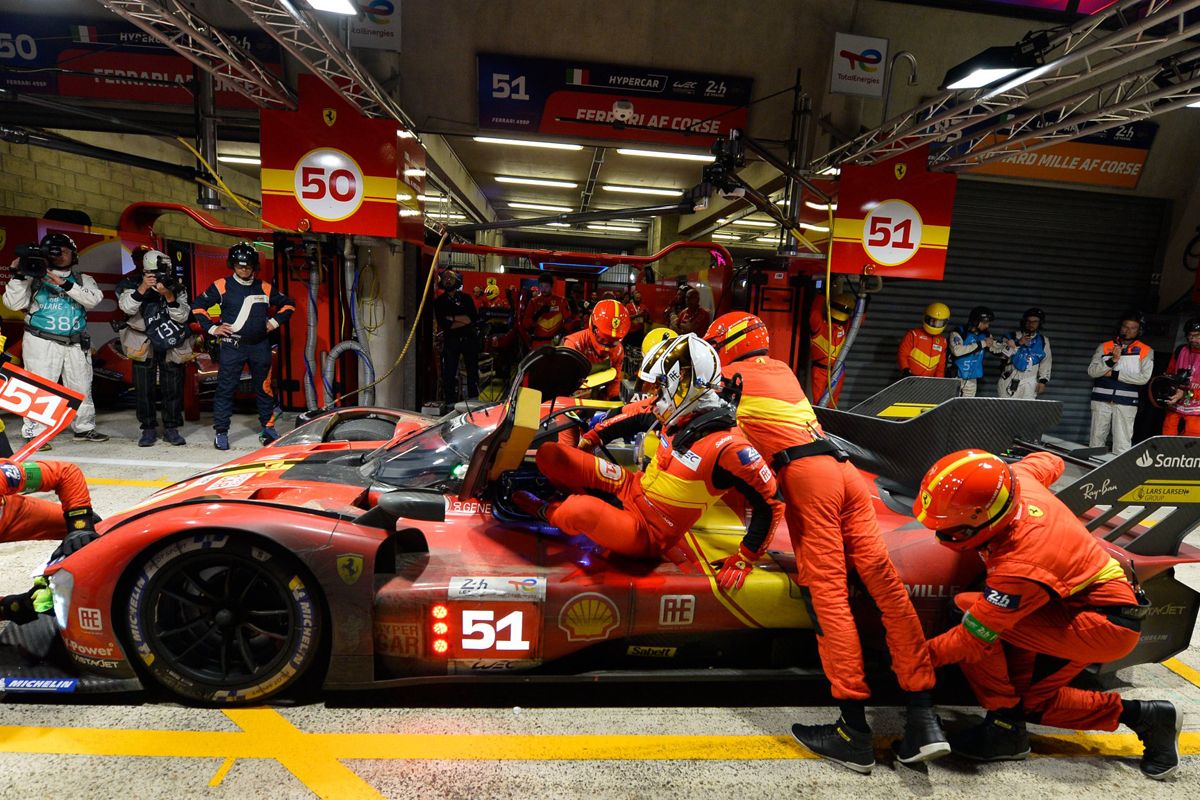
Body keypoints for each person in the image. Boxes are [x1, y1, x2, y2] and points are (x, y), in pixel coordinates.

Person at [705, 312, 946, 773]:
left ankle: (852, 731)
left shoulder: (730, 380)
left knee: (828, 596)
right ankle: (923, 717)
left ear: (728, 345)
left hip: (808, 479)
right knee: (887, 588)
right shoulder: (782, 371)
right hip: (845, 472)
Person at [914, 449, 1182, 780]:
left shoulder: (1020, 562)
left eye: (952, 530)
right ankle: (1150, 717)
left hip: (1099, 624)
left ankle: (1003, 723)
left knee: (968, 611)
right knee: (1035, 704)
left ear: (987, 517)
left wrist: (914, 660)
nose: (942, 537)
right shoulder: (1018, 478)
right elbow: (1049, 460)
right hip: (1066, 605)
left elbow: (971, 640)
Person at [513, 334, 784, 570]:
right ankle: (580, 503)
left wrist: (745, 557)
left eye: (659, 387)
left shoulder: (729, 446)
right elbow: (633, 416)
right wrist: (592, 438)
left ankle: (547, 512)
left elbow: (772, 501)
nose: (655, 395)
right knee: (550, 454)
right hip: (632, 486)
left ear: (683, 386)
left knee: (578, 510)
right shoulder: (682, 412)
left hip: (649, 532)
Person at [3, 232, 108, 443]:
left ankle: (83, 428)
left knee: (81, 386)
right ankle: (36, 433)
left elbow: (92, 299)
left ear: (74, 255)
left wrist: (63, 283)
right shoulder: (32, 276)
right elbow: (12, 304)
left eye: (64, 251)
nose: (59, 255)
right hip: (41, 340)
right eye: (53, 250)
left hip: (75, 342)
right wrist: (20, 275)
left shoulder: (82, 279)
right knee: (39, 387)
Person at [191, 242, 294, 451]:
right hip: (232, 346)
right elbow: (197, 307)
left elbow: (288, 304)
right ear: (233, 265)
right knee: (225, 389)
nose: (244, 270)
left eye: (247, 266)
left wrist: (273, 323)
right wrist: (212, 329)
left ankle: (268, 428)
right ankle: (221, 432)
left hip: (259, 346)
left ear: (254, 266)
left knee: (264, 388)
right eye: (239, 266)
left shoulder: (264, 287)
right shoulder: (222, 285)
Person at [116, 248, 193, 447]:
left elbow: (183, 316)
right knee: (143, 387)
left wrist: (168, 295)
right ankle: (148, 428)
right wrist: (143, 287)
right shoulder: (130, 283)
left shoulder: (176, 286)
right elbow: (126, 308)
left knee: (173, 385)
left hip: (171, 340)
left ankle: (171, 428)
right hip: (142, 340)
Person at [1088, 309, 1153, 455]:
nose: (1128, 331)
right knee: (1095, 442)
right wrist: (1112, 360)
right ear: (1120, 327)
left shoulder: (1146, 350)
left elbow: (1143, 378)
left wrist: (1115, 374)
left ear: (1139, 330)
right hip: (1101, 399)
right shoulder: (1104, 346)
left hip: (1126, 402)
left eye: (1133, 328)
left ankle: (1119, 475)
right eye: (1125, 327)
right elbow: (1092, 372)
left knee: (1122, 444)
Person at [562, 299, 631, 400]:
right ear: (593, 327)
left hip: (599, 401)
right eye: (603, 339)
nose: (606, 347)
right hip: (572, 399)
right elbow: (563, 380)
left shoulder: (618, 350)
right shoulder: (574, 344)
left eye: (613, 342)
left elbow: (615, 381)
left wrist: (614, 400)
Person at [432, 269, 479, 413]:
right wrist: (462, 319)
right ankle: (450, 402)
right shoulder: (439, 302)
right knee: (449, 372)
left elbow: (471, 319)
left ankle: (473, 400)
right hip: (451, 341)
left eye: (450, 278)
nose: (447, 280)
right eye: (445, 278)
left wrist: (452, 318)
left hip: (468, 340)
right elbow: (445, 325)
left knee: (472, 370)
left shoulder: (466, 298)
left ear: (456, 281)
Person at [808, 291, 856, 406]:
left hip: (837, 370)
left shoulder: (846, 326)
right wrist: (821, 294)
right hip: (820, 370)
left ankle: (829, 423)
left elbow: (858, 321)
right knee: (820, 403)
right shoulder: (820, 325)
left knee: (833, 403)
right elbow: (814, 314)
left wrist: (864, 307)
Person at [997, 307, 1052, 399]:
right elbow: (1002, 356)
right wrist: (1018, 343)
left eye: (1035, 321)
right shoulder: (1011, 337)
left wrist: (1043, 381)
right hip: (1009, 378)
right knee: (1004, 410)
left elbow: (1046, 361)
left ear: (1040, 323)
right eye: (1028, 321)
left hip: (1030, 381)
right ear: (1024, 322)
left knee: (1026, 411)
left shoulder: (1043, 340)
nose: (1031, 324)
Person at [948, 305, 1001, 398]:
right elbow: (957, 351)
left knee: (966, 408)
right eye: (985, 322)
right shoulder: (958, 332)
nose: (987, 325)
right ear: (976, 321)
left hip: (972, 379)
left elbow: (996, 349)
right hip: (955, 376)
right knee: (948, 406)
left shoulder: (986, 334)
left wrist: (1011, 346)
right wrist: (982, 343)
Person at [1160, 317, 1200, 437]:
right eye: (1190, 336)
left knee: (1191, 441)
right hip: (1176, 403)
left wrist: (1187, 393)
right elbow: (1170, 373)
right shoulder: (1180, 350)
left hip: (1197, 408)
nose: (1193, 339)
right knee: (1167, 439)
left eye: (1197, 335)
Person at [897, 302, 951, 377]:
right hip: (910, 378)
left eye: (939, 323)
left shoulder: (942, 342)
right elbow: (902, 354)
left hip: (927, 383)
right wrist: (905, 370)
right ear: (926, 318)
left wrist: (939, 382)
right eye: (932, 321)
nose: (935, 324)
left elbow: (940, 367)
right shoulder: (914, 335)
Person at [521, 274, 570, 348]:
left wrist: (563, 332)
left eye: (546, 286)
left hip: (555, 343)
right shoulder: (533, 302)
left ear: (552, 286)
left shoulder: (561, 301)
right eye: (541, 286)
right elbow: (525, 324)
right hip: (537, 342)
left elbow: (569, 321)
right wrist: (537, 315)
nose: (543, 289)